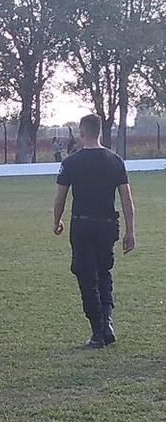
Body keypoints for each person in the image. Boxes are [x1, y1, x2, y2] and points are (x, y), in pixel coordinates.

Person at [53, 113, 136, 349]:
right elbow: (127, 200)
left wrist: (56, 221)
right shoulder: (115, 160)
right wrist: (130, 231)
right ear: (99, 131)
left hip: (82, 224)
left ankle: (97, 330)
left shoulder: (70, 162)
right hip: (108, 224)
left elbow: (60, 198)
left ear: (81, 132)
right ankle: (107, 322)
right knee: (104, 271)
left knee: (85, 275)